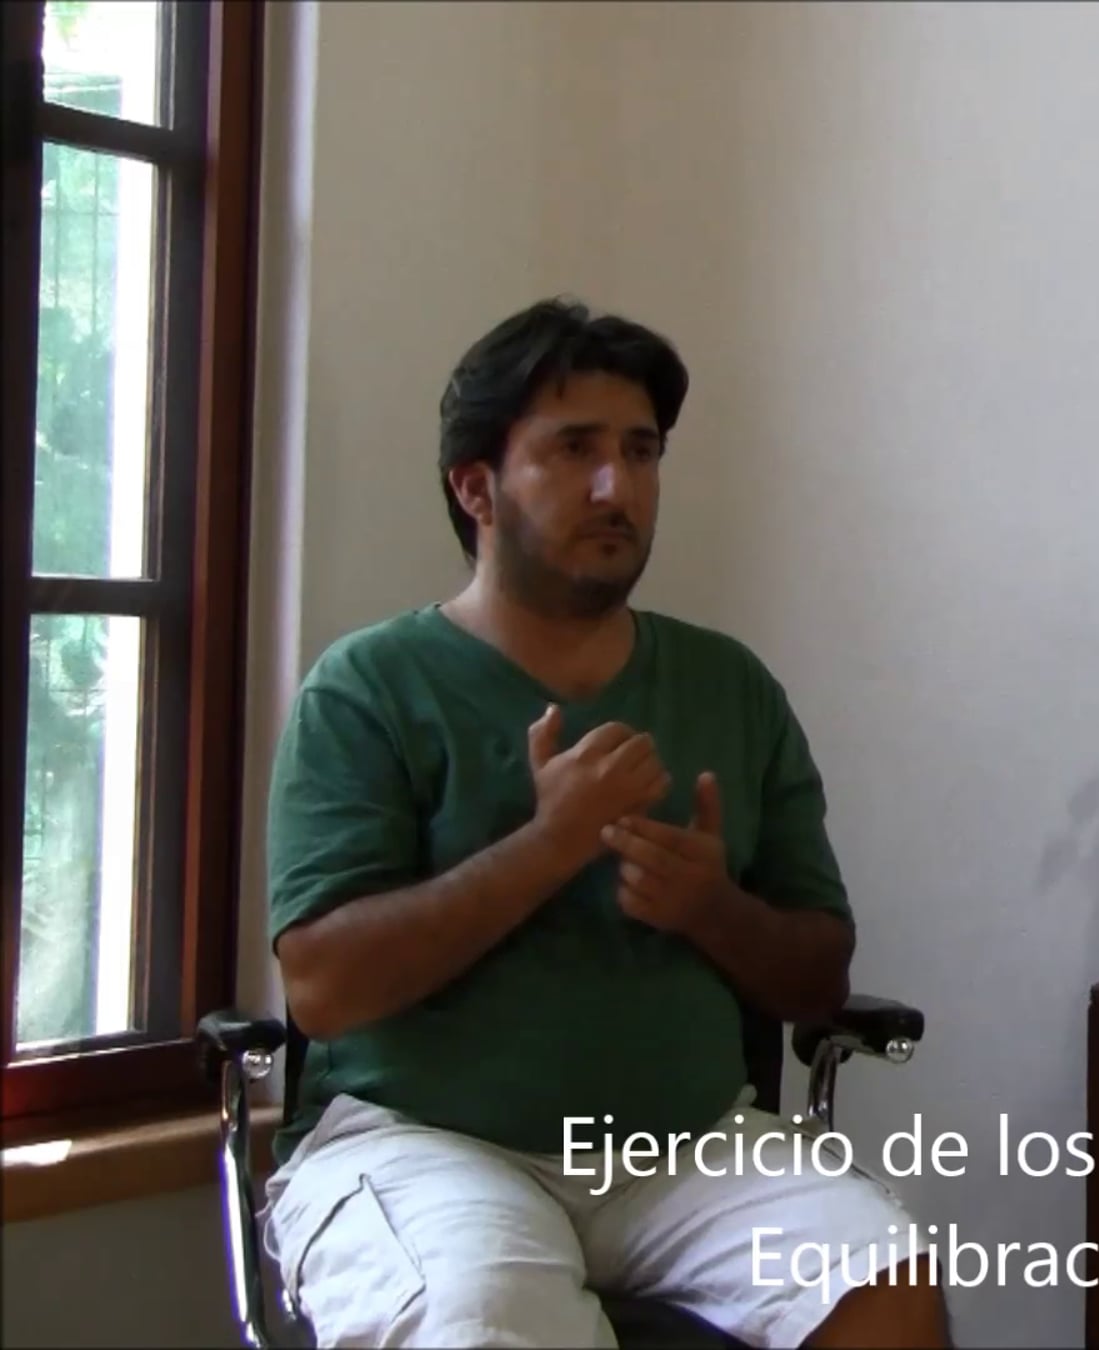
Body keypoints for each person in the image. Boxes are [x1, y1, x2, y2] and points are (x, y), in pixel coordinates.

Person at [260, 298, 949, 1347]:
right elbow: (324, 986)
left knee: (887, 1289)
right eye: (574, 449)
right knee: (481, 1318)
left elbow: (817, 982)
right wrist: (548, 848)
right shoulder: (367, 688)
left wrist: (709, 907)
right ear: (476, 487)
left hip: (690, 1147)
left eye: (640, 451)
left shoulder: (730, 687)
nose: (616, 486)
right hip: (426, 1144)